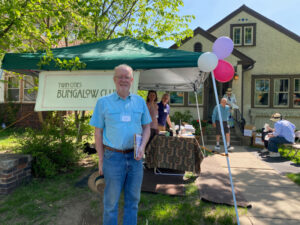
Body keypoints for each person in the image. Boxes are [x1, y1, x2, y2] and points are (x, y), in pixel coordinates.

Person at [89, 64, 151, 225]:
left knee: (133, 201)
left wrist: (143, 146)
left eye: (127, 77)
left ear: (132, 80)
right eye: (120, 76)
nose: (123, 80)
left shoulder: (139, 102)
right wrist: (101, 160)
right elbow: (98, 133)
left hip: (135, 158)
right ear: (114, 80)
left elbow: (147, 127)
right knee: (111, 203)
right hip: (113, 157)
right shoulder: (103, 103)